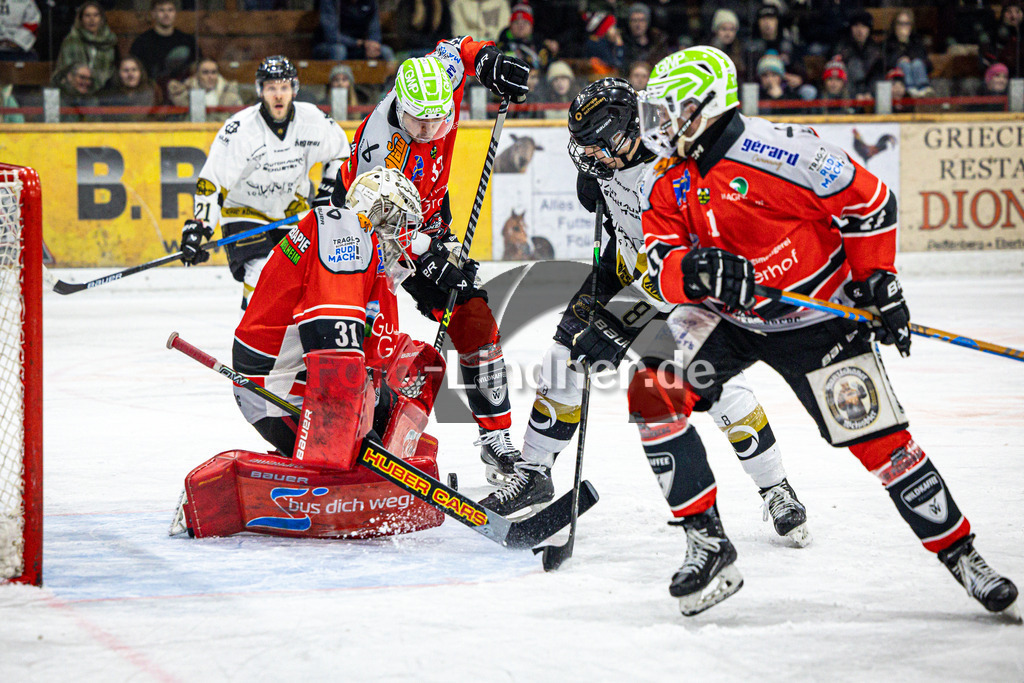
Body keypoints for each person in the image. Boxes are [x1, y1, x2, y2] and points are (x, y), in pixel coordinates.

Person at [632, 45, 1019, 617]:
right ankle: (707, 542)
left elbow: (872, 204)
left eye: (669, 112)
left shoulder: (782, 152)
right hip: (730, 318)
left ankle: (963, 556)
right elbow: (656, 265)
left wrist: (878, 284)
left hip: (817, 316)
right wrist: (688, 273)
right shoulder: (669, 180)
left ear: (704, 108)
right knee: (651, 392)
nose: (658, 127)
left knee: (882, 444)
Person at [481, 78, 811, 550]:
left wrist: (618, 325)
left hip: (678, 288)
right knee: (563, 360)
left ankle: (776, 488)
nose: (588, 157)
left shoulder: (671, 171)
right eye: (584, 148)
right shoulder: (609, 159)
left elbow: (678, 265)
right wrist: (596, 177)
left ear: (626, 134)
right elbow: (615, 201)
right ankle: (534, 472)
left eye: (596, 148)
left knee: (719, 387)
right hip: (621, 271)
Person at [332, 36, 531, 484]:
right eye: (417, 122)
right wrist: (430, 253)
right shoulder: (380, 148)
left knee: (474, 315)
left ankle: (497, 440)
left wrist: (487, 59)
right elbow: (382, 228)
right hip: (368, 231)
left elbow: (454, 46)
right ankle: (362, 437)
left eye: (436, 122)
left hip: (427, 219)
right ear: (399, 107)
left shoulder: (440, 83)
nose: (427, 132)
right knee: (373, 335)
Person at [230, 167, 420, 457]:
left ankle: (323, 458)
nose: (401, 236)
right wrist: (353, 430)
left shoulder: (356, 240)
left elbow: (368, 340)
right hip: (272, 385)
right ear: (375, 212)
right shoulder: (345, 230)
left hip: (294, 370)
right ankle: (326, 468)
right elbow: (330, 332)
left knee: (386, 405)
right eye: (396, 221)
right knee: (355, 448)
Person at [178, 55, 351, 313]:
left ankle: (291, 337)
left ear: (294, 89)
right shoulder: (239, 130)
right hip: (244, 212)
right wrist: (201, 226)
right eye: (271, 88)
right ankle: (252, 340)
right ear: (260, 90)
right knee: (260, 272)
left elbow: (342, 152)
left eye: (284, 87)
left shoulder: (312, 120)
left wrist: (328, 192)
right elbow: (212, 181)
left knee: (302, 277)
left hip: (293, 212)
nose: (278, 95)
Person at [130, 0, 200, 97]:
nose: (166, 14)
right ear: (153, 14)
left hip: (183, 92)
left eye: (170, 10)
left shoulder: (187, 40)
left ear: (175, 13)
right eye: (161, 10)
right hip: (151, 94)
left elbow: (198, 67)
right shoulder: (142, 42)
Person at [52, 2, 118, 94]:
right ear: (81, 19)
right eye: (87, 16)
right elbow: (64, 72)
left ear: (101, 19)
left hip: (105, 93)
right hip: (74, 94)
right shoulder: (71, 41)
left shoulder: (110, 41)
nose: (92, 19)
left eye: (96, 15)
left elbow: (113, 71)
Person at [314, 0, 396, 62]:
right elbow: (331, 36)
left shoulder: (370, 2)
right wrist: (358, 43)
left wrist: (373, 44)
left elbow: (374, 29)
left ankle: (395, 83)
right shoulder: (331, 2)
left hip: (361, 46)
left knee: (386, 51)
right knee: (339, 50)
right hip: (329, 45)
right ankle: (338, 84)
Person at [167, 58, 243, 122]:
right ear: (197, 75)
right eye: (205, 72)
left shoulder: (231, 96)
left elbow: (241, 120)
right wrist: (181, 89)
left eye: (213, 72)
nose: (210, 76)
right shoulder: (187, 93)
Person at [883, 10, 933, 97]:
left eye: (906, 23)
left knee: (917, 63)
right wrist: (900, 55)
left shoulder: (916, 42)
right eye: (900, 23)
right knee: (904, 64)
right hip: (898, 81)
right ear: (894, 26)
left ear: (911, 26)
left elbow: (928, 64)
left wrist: (910, 56)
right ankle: (910, 88)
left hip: (917, 73)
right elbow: (887, 63)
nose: (903, 27)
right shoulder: (888, 43)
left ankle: (923, 87)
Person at [99, 55, 162, 122]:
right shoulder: (111, 99)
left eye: (134, 70)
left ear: (140, 73)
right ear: (118, 74)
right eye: (126, 71)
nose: (130, 74)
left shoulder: (151, 94)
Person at [836, 11, 883, 98]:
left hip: (870, 96)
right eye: (856, 25)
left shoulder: (876, 51)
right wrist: (855, 95)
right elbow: (842, 78)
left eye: (864, 26)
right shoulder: (842, 49)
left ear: (869, 29)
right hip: (848, 96)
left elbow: (877, 77)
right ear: (851, 28)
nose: (860, 30)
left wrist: (870, 93)